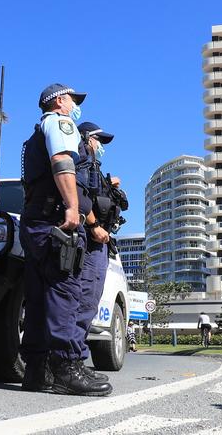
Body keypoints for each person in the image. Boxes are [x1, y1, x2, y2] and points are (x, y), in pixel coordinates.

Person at [20, 83, 112, 396]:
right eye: (73, 100)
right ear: (60, 100)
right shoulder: (61, 124)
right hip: (55, 222)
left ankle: (37, 370)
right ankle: (66, 367)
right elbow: (62, 162)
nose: (75, 106)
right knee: (65, 291)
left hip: (38, 222)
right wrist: (73, 206)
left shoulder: (38, 131)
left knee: (40, 296)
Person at [74, 121, 121, 383]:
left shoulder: (94, 166)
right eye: (97, 139)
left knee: (88, 301)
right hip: (91, 240)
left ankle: (73, 358)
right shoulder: (81, 157)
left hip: (98, 240)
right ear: (87, 138)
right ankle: (73, 361)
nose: (99, 145)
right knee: (85, 299)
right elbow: (82, 197)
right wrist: (93, 226)